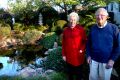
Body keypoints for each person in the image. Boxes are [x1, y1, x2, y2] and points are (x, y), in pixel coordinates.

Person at [86, 8, 120, 80]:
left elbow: (118, 46)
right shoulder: (93, 28)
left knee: (104, 78)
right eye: (97, 15)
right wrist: (88, 55)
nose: (99, 17)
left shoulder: (114, 28)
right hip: (93, 60)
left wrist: (112, 59)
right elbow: (88, 43)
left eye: (102, 15)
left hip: (106, 61)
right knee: (92, 78)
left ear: (106, 16)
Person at [62, 12, 87, 80]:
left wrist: (82, 50)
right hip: (69, 57)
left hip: (78, 57)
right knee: (70, 75)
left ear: (77, 20)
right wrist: (63, 54)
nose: (72, 21)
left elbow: (84, 41)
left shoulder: (81, 30)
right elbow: (64, 43)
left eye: (74, 20)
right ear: (69, 20)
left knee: (79, 75)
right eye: (71, 19)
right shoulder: (66, 31)